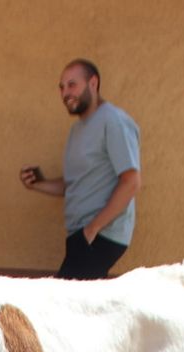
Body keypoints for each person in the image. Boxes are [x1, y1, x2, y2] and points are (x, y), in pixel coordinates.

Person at [18, 58, 141, 279]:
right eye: (62, 87)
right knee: (79, 306)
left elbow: (131, 182)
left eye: (72, 85)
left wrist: (93, 229)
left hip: (102, 235)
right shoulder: (77, 130)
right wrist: (37, 184)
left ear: (93, 83)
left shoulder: (114, 121)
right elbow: (74, 184)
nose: (65, 93)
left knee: (61, 302)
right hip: (81, 235)